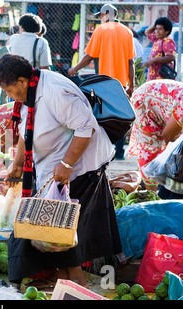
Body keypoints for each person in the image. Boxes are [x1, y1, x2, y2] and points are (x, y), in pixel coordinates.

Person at [0, 53, 120, 288]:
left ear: (22, 81)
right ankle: (63, 277)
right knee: (55, 228)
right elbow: (26, 132)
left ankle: (76, 281)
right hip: (54, 169)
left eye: (9, 91)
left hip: (81, 167)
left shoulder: (55, 91)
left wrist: (67, 164)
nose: (9, 96)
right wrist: (18, 164)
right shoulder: (28, 93)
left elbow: (86, 127)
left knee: (64, 228)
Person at [68, 3, 136, 161]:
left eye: (100, 15)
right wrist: (131, 85)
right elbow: (130, 62)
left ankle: (103, 152)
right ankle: (118, 154)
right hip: (121, 83)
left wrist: (74, 69)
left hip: (103, 83)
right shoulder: (127, 32)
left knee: (101, 116)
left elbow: (89, 56)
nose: (99, 18)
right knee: (120, 116)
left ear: (106, 14)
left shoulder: (100, 30)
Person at [128, 80, 183, 199]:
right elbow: (168, 135)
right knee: (150, 150)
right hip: (146, 101)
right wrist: (173, 160)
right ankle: (151, 198)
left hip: (167, 106)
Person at [143, 17, 176, 81]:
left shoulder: (168, 41)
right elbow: (147, 32)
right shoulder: (156, 39)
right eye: (156, 29)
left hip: (162, 78)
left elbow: (171, 57)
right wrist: (157, 22)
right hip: (153, 77)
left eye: (160, 29)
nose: (157, 31)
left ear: (167, 31)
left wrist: (153, 60)